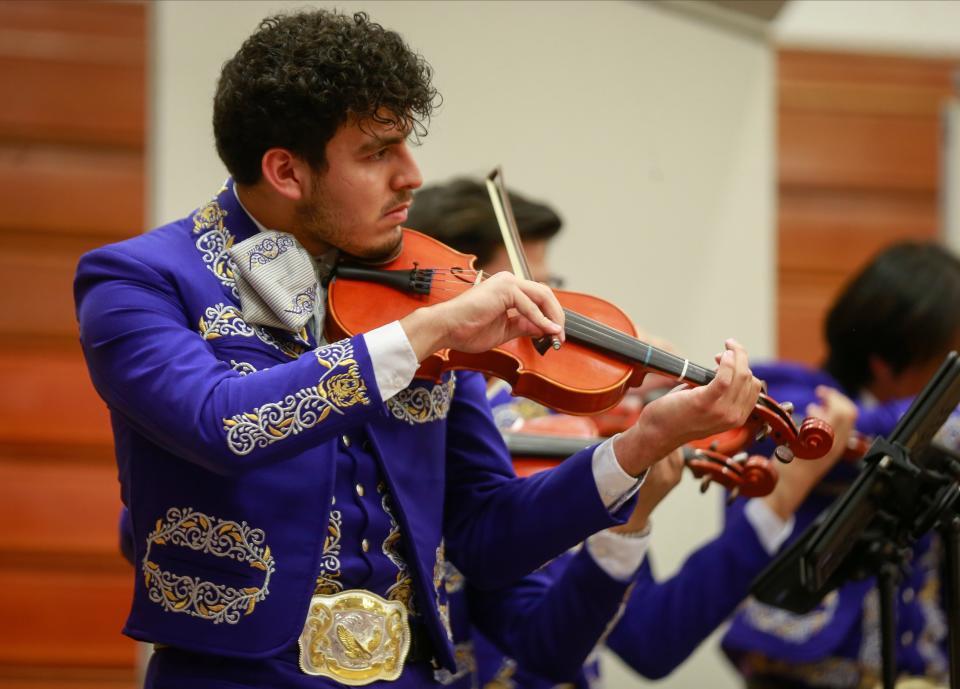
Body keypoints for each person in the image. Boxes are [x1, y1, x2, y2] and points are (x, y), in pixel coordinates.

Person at [74, 10, 762, 689]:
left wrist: (639, 446)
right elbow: (223, 423)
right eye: (377, 153)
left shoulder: (420, 293)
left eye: (405, 144)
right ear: (286, 170)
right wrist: (428, 332)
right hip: (234, 677)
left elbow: (487, 533)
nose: (413, 175)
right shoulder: (140, 280)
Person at [405, 179, 859, 688]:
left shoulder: (569, 430)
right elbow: (632, 640)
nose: (548, 323)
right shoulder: (466, 441)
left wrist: (634, 504)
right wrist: (781, 498)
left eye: (551, 295)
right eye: (518, 298)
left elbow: (645, 635)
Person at [721, 241, 960, 689]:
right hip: (803, 668)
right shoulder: (794, 396)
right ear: (888, 361)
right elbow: (887, 428)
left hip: (918, 663)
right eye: (948, 359)